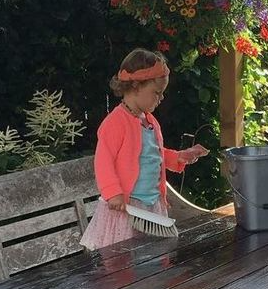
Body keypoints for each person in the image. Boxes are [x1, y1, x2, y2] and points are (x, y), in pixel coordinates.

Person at [80, 48, 209, 250]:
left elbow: (152, 154)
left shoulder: (149, 121)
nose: (161, 98)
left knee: (152, 258)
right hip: (127, 208)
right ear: (135, 86)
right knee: (123, 261)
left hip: (152, 205)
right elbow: (103, 160)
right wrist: (112, 192)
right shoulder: (115, 122)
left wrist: (179, 157)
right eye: (156, 93)